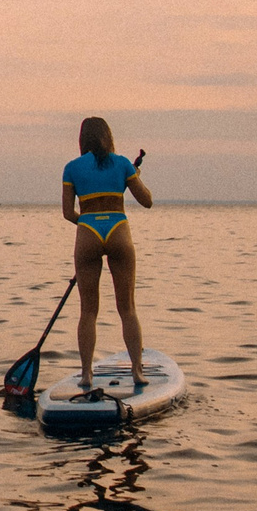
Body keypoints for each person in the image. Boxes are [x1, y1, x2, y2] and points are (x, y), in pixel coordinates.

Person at [60, 116, 153, 395]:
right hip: (118, 232)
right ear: (108, 137)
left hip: (88, 231)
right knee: (127, 309)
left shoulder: (71, 168)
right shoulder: (124, 163)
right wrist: (134, 178)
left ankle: (87, 374)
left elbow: (67, 213)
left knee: (88, 311)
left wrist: (89, 225)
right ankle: (137, 371)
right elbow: (147, 201)